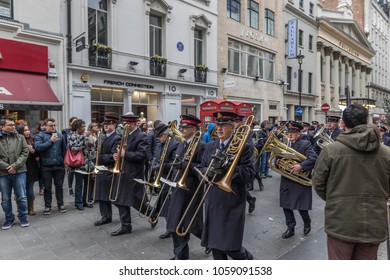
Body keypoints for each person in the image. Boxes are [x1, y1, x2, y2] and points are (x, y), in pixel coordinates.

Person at [312, 104, 390, 260]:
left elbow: (318, 183)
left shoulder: (331, 150)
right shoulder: (387, 153)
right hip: (374, 223)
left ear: (343, 124)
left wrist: (336, 200)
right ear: (366, 121)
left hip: (340, 222)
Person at [200, 111, 255, 260]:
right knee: (215, 245)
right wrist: (207, 171)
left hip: (231, 201)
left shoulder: (244, 147)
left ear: (232, 127)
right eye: (218, 125)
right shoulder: (210, 146)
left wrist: (227, 167)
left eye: (224, 125)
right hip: (213, 200)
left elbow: (249, 174)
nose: (219, 128)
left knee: (231, 246)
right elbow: (202, 168)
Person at [165, 114, 205, 259]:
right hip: (178, 188)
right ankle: (180, 256)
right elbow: (178, 165)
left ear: (194, 129)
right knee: (176, 224)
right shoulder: (182, 144)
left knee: (191, 225)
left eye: (186, 127)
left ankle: (210, 242)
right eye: (182, 127)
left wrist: (185, 165)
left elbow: (203, 169)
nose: (182, 129)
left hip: (191, 191)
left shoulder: (201, 146)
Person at [110, 114, 149, 236]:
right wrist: (117, 156)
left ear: (132, 124)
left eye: (125, 124)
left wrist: (125, 154)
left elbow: (141, 155)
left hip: (133, 172)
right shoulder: (125, 135)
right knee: (120, 199)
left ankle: (151, 213)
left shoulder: (141, 136)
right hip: (123, 170)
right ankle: (126, 225)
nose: (123, 126)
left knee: (135, 200)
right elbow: (122, 151)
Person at [280, 121, 318, 239]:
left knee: (301, 206)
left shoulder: (305, 143)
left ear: (299, 133)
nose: (290, 134)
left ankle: (307, 222)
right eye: (289, 132)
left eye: (293, 132)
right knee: (286, 205)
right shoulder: (285, 143)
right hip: (287, 177)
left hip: (299, 178)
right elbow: (277, 156)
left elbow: (313, 158)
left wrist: (301, 166)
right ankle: (290, 227)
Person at [150, 122, 179, 238]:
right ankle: (170, 227)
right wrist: (154, 163)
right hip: (161, 178)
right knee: (165, 203)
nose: (160, 139)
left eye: (161, 136)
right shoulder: (160, 144)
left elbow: (174, 163)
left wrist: (161, 165)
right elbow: (157, 156)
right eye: (158, 137)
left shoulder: (175, 144)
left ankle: (171, 227)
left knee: (168, 204)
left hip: (170, 178)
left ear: (167, 135)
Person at [0, 117, 29, 229]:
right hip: (3, 173)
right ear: (2, 127)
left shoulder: (20, 137)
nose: (13, 127)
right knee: (5, 198)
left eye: (13, 125)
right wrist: (7, 167)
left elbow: (25, 153)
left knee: (21, 196)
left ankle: (23, 217)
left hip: (19, 171)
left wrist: (15, 166)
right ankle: (9, 219)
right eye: (10, 125)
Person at [34, 118, 67, 215]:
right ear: (45, 126)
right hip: (46, 167)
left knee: (59, 187)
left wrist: (64, 162)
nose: (53, 127)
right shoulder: (40, 136)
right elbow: (38, 147)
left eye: (54, 125)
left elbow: (64, 150)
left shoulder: (60, 136)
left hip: (59, 166)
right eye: (51, 125)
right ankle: (47, 206)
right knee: (47, 188)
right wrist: (51, 141)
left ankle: (61, 204)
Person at [94, 115, 121, 226]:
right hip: (101, 169)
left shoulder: (117, 138)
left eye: (108, 124)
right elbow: (96, 152)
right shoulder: (102, 137)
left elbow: (113, 155)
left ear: (114, 125)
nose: (105, 126)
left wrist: (100, 157)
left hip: (109, 169)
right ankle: (105, 216)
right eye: (104, 124)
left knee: (111, 196)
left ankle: (124, 212)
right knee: (101, 195)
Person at [66, 119, 93, 210]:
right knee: (79, 184)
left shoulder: (85, 136)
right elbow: (74, 148)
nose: (84, 128)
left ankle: (86, 201)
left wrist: (90, 143)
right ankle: (78, 202)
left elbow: (90, 149)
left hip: (87, 162)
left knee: (87, 183)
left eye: (84, 127)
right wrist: (84, 140)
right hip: (78, 164)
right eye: (82, 127)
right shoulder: (71, 136)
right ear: (77, 127)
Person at [16, 124, 40, 216]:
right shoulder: (16, 140)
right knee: (20, 190)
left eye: (28, 130)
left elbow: (37, 155)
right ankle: (20, 208)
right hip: (19, 167)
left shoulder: (32, 140)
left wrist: (33, 151)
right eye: (24, 130)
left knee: (30, 190)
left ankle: (30, 208)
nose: (27, 132)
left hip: (30, 168)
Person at [62, 117, 78, 197]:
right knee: (70, 172)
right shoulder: (65, 132)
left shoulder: (79, 131)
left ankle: (76, 190)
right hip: (69, 153)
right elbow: (64, 144)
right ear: (70, 123)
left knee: (77, 172)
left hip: (78, 154)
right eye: (74, 121)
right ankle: (70, 188)